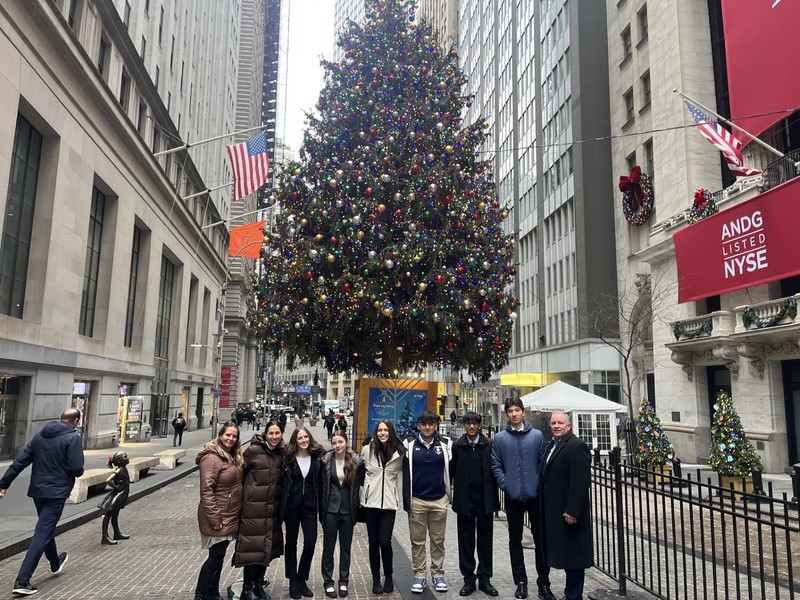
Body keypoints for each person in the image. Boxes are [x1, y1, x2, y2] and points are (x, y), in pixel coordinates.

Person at [0, 408, 83, 596]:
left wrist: (3, 484)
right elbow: (77, 469)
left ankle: (55, 562)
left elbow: (19, 461)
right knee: (42, 531)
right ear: (75, 421)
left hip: (38, 492)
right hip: (57, 493)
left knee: (46, 528)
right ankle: (22, 580)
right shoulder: (72, 438)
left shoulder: (40, 436)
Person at [490, 398, 554, 600]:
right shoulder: (500, 438)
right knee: (514, 540)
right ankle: (520, 582)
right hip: (513, 498)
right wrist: (505, 483)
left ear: (523, 412)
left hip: (535, 497)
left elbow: (543, 463)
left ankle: (544, 582)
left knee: (541, 540)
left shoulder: (536, 436)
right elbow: (496, 464)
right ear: (507, 414)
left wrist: (539, 486)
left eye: (517, 410)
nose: (514, 414)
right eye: (510, 411)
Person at [540, 412, 592, 600]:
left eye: (560, 423)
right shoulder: (552, 445)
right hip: (555, 511)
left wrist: (572, 509)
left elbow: (580, 482)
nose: (556, 425)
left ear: (568, 426)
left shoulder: (576, 446)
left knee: (574, 557)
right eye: (553, 423)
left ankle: (574, 595)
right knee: (568, 555)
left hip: (569, 513)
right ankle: (570, 593)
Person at [233, 421, 285, 600]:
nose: (274, 436)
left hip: (272, 510)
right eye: (271, 433)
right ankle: (247, 589)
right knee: (252, 550)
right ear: (265, 434)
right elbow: (239, 475)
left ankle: (258, 585)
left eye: (277, 433)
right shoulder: (253, 451)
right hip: (253, 509)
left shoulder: (282, 453)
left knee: (267, 550)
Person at [402, 409, 453, 594]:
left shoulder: (447, 444)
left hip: (439, 500)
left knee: (438, 541)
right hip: (417, 500)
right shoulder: (408, 444)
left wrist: (449, 496)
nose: (427, 427)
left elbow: (453, 470)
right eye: (424, 424)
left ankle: (438, 574)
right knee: (418, 542)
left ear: (436, 426)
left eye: (431, 424)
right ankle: (420, 576)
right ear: (418, 426)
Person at [450, 412, 499, 597]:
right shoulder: (458, 445)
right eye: (468, 423)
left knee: (485, 541)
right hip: (465, 502)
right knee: (466, 542)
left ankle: (485, 578)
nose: (471, 427)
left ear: (479, 425)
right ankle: (469, 579)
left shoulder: (488, 445)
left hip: (484, 501)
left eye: (475, 423)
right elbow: (451, 471)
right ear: (464, 425)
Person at [193, 421, 244, 600]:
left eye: (234, 436)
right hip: (217, 516)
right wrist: (215, 517)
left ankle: (212, 593)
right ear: (220, 435)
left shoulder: (231, 456)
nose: (230, 438)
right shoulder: (212, 458)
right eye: (227, 435)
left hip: (228, 515)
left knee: (219, 555)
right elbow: (206, 489)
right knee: (214, 557)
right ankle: (200, 595)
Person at [360, 420, 406, 595]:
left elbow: (409, 473)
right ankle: (376, 579)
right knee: (373, 542)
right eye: (380, 430)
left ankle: (388, 576)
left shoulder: (399, 451)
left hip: (388, 503)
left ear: (391, 432)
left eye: (386, 430)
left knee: (384, 541)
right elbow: (358, 472)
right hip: (371, 503)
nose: (382, 433)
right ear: (376, 432)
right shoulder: (367, 449)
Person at [318, 429, 365, 599]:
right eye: (334, 443)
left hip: (348, 510)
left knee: (345, 548)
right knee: (328, 547)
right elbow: (321, 486)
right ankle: (328, 582)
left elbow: (362, 484)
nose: (338, 445)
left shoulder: (356, 461)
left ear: (346, 442)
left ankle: (343, 581)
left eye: (341, 442)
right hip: (330, 510)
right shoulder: (325, 460)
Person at [282, 426, 324, 599]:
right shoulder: (288, 459)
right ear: (295, 440)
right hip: (292, 506)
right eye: (300, 438)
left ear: (310, 438)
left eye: (306, 437)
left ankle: (302, 578)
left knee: (311, 542)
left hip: (309, 507)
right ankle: (292, 580)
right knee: (291, 543)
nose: (304, 440)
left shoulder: (317, 456)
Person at [99, 451, 131, 545]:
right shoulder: (119, 470)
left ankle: (117, 533)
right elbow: (108, 480)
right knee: (109, 514)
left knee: (115, 514)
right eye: (125, 457)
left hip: (122, 493)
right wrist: (116, 487)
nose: (127, 458)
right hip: (118, 494)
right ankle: (104, 536)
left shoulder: (123, 469)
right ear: (120, 461)